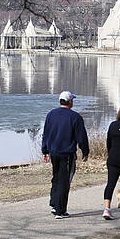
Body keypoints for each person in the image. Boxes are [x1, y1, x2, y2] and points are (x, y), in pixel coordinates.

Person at [41, 90, 89, 219]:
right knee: (64, 180)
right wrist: (85, 151)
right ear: (70, 102)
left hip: (54, 152)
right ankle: (60, 210)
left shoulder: (51, 115)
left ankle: (54, 203)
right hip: (66, 153)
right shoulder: (75, 117)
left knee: (56, 177)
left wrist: (45, 150)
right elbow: (81, 137)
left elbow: (46, 133)